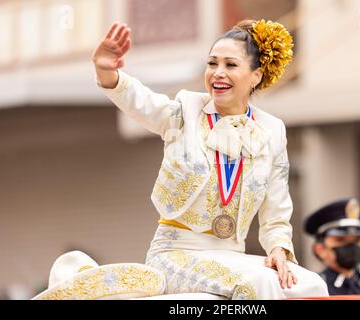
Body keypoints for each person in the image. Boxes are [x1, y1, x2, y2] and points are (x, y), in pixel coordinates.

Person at [92, 19, 328, 299]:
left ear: (256, 75)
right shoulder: (186, 110)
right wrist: (108, 72)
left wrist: (278, 248)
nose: (218, 73)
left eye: (230, 65)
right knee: (258, 285)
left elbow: (276, 208)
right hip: (174, 255)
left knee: (312, 285)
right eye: (212, 63)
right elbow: (142, 102)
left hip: (234, 257)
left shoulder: (272, 130)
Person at [304, 198, 360, 295]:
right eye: (340, 239)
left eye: (357, 239)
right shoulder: (315, 290)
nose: (351, 245)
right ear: (320, 249)